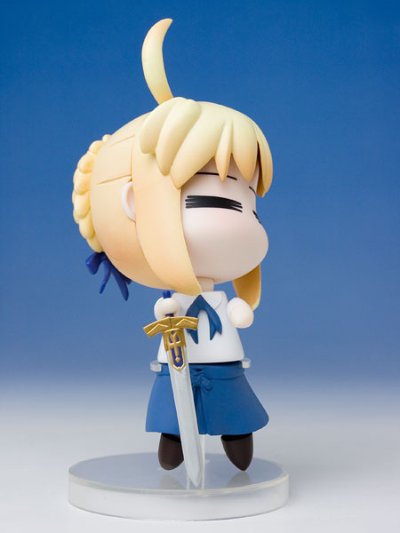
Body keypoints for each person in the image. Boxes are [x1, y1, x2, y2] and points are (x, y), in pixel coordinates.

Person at [72, 18, 273, 471]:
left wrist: (238, 311)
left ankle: (233, 436)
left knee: (234, 408)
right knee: (173, 411)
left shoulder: (218, 295)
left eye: (252, 208)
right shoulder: (174, 300)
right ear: (135, 202)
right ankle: (175, 439)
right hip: (177, 360)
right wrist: (168, 311)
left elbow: (235, 314)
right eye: (215, 200)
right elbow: (167, 316)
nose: (247, 225)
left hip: (224, 362)